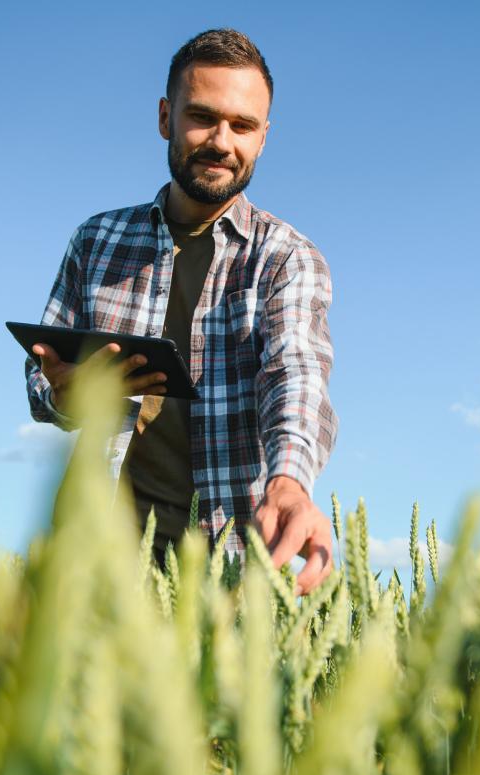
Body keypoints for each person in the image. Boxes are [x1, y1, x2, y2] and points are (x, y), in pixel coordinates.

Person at [24, 29, 337, 596]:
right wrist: (65, 394)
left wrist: (290, 483)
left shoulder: (286, 258)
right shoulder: (97, 241)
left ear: (264, 137)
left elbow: (295, 375)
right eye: (202, 117)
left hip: (222, 571)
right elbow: (42, 380)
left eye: (242, 126)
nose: (222, 141)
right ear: (166, 117)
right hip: (88, 560)